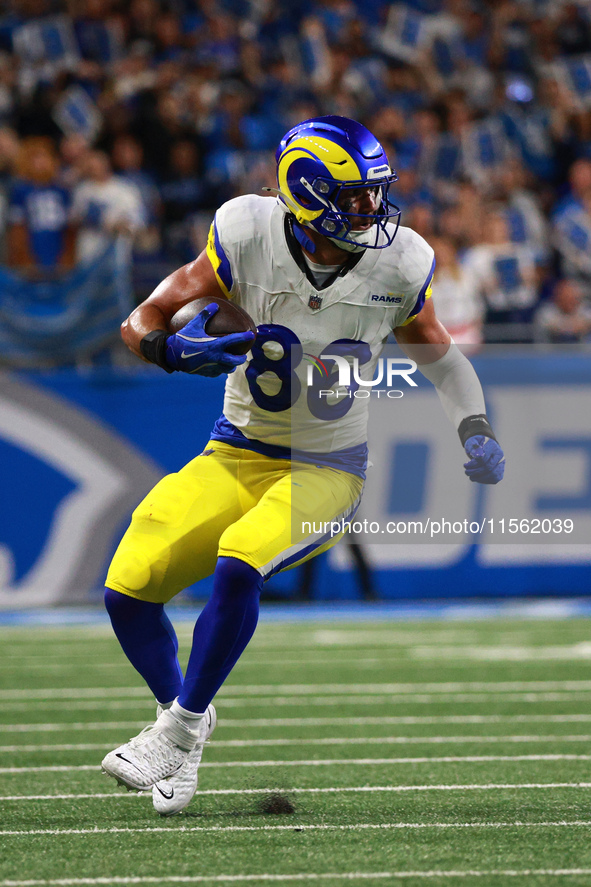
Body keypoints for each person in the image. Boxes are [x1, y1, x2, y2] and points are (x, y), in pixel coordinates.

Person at [100, 115, 505, 815]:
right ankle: (183, 725)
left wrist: (473, 426)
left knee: (240, 558)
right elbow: (146, 317)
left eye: (376, 194)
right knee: (127, 588)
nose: (372, 210)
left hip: (326, 464)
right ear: (308, 192)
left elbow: (438, 353)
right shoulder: (246, 232)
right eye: (354, 197)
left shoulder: (399, 262)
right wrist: (170, 351)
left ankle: (180, 728)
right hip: (235, 450)